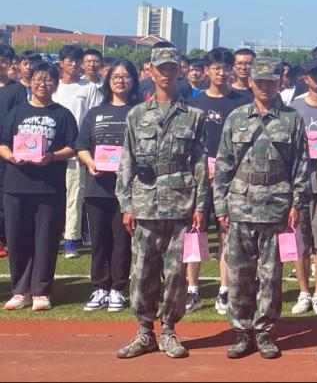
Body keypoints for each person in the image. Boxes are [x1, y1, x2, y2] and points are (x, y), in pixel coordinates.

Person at [115, 46, 208, 360]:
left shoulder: (194, 116)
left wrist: (200, 206)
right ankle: (144, 331)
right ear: (151, 72)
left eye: (171, 68)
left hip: (181, 203)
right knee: (142, 270)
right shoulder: (137, 115)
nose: (166, 74)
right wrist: (126, 204)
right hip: (145, 202)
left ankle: (168, 330)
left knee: (176, 273)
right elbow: (126, 162)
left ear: (179, 71)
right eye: (161, 68)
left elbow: (200, 163)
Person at [215, 57, 309, 360]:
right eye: (260, 82)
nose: (266, 87)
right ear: (251, 82)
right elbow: (224, 165)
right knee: (239, 274)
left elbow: (301, 166)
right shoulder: (236, 118)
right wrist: (221, 206)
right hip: (241, 204)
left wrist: (297, 203)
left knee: (270, 275)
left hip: (276, 205)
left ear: (279, 83)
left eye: (271, 82)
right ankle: (242, 332)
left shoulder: (292, 119)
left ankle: (265, 332)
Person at [0, 61, 78, 312]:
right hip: (16, 186)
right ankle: (20, 291)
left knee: (46, 240)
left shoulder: (63, 114)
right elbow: (3, 143)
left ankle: (41, 291)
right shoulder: (17, 112)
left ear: (55, 84)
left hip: (49, 187)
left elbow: (73, 146)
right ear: (30, 81)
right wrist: (11, 156)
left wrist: (52, 156)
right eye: (38, 79)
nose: (43, 84)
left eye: (48, 80)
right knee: (17, 239)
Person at [188, 47, 251, 315]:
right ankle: (192, 288)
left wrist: (225, 170)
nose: (222, 73)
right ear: (207, 71)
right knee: (195, 230)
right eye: (217, 68)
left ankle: (225, 289)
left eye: (226, 68)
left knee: (227, 232)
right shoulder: (193, 103)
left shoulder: (243, 102)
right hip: (199, 177)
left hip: (232, 179)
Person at [76, 60, 140, 313]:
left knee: (122, 241)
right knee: (100, 240)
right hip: (97, 187)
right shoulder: (95, 113)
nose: (120, 80)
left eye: (125, 76)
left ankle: (117, 289)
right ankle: (100, 287)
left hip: (128, 189)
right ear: (108, 80)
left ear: (133, 80)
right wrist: (90, 162)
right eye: (115, 76)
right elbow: (82, 145)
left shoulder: (139, 112)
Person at [289, 58, 317, 317]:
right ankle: (304, 291)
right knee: (299, 241)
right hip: (300, 183)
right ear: (305, 78)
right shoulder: (295, 108)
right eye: (314, 75)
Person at [52, 45, 102, 260]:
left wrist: (86, 149)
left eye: (76, 60)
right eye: (69, 60)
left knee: (74, 197)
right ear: (61, 62)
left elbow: (93, 120)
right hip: (51, 152)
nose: (73, 64)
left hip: (76, 151)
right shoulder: (53, 87)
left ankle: (71, 240)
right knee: (52, 197)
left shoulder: (88, 88)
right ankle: (51, 236)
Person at [0, 45, 26, 259]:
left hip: (5, 149)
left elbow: (20, 120)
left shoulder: (16, 89)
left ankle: (3, 237)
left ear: (9, 64)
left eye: (4, 61)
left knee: (3, 195)